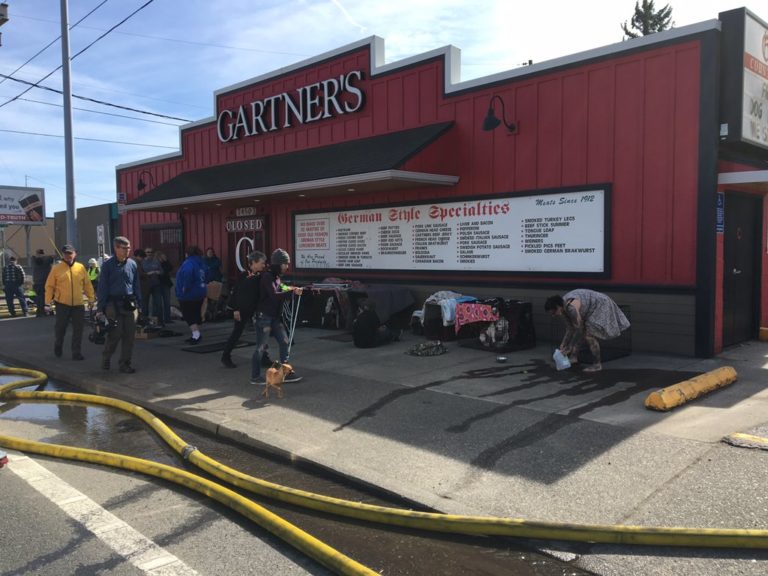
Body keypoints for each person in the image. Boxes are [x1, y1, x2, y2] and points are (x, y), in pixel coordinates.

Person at [544, 289, 630, 372]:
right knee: (582, 332)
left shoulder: (571, 308)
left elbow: (579, 329)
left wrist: (569, 347)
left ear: (558, 307)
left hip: (600, 305)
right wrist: (563, 344)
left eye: (553, 312)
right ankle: (573, 358)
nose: (553, 315)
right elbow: (570, 328)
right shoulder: (563, 308)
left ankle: (597, 365)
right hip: (589, 307)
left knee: (588, 335)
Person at [251, 249, 303, 385]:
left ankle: (284, 372)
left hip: (274, 317)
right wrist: (291, 293)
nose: (287, 266)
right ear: (279, 264)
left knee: (285, 341)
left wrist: (292, 288)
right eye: (285, 263)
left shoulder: (275, 277)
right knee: (261, 347)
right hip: (264, 317)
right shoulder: (267, 277)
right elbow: (274, 294)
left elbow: (281, 287)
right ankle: (255, 377)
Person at [96, 236, 142, 373]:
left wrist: (139, 304)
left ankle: (125, 363)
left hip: (129, 304)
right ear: (116, 248)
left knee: (129, 336)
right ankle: (106, 358)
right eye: (124, 248)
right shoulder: (108, 266)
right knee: (115, 334)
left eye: (129, 248)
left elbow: (136, 285)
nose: (127, 251)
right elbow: (102, 287)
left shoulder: (132, 264)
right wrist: (100, 309)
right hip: (112, 304)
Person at [44, 244, 95, 360]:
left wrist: (91, 298)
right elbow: (50, 286)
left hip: (78, 304)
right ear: (63, 254)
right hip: (62, 304)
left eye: (70, 253)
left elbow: (87, 285)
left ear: (75, 254)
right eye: (66, 253)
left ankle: (76, 352)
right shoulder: (56, 268)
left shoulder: (81, 267)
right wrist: (47, 303)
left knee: (78, 329)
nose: (68, 256)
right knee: (61, 328)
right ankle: (58, 345)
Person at [221, 251, 266, 368]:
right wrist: (235, 309)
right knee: (237, 332)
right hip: (242, 309)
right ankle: (225, 356)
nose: (263, 265)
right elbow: (235, 292)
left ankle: (264, 357)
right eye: (262, 263)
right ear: (254, 263)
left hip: (255, 309)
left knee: (261, 334)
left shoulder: (260, 276)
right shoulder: (244, 275)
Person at [175, 245, 208, 344]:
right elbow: (207, 273)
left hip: (189, 293)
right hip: (200, 291)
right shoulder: (202, 263)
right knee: (194, 313)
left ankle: (196, 335)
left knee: (188, 315)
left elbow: (188, 274)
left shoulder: (188, 263)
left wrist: (185, 286)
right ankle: (197, 330)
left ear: (187, 254)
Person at [141, 247, 163, 323]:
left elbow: (162, 271)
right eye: (148, 252)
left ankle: (158, 321)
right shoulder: (142, 262)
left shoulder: (156, 261)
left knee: (158, 303)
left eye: (151, 252)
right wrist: (148, 274)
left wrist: (158, 272)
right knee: (145, 304)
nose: (149, 254)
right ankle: (144, 321)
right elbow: (140, 273)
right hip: (146, 285)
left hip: (156, 284)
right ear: (145, 253)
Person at [31, 248, 54, 316]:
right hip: (46, 282)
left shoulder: (34, 260)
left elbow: (35, 258)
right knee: (47, 297)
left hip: (37, 282)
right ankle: (47, 311)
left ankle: (40, 311)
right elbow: (50, 258)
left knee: (40, 298)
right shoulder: (47, 260)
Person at [132, 249, 151, 318]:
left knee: (142, 303)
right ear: (138, 256)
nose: (142, 259)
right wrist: (147, 274)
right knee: (142, 304)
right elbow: (140, 274)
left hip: (141, 287)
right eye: (142, 258)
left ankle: (143, 316)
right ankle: (142, 317)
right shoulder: (135, 263)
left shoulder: (134, 262)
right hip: (141, 287)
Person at [156, 250, 174, 325]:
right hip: (157, 284)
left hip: (165, 283)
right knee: (158, 303)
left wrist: (165, 261)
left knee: (167, 302)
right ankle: (159, 319)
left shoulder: (165, 263)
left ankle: (167, 318)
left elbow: (170, 268)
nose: (163, 258)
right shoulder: (155, 263)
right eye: (162, 256)